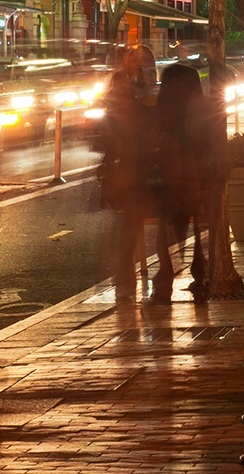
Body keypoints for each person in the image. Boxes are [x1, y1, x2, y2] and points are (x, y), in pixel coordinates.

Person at [150, 63, 226, 303]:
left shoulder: (165, 111)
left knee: (170, 231)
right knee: (199, 232)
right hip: (201, 184)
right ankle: (200, 278)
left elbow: (159, 145)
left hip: (174, 185)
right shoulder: (206, 108)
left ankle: (164, 283)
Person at [96, 44, 159, 304]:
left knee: (136, 222)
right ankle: (124, 282)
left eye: (145, 62)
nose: (140, 66)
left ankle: (131, 279)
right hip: (128, 165)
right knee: (130, 222)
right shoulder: (121, 86)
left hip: (141, 162)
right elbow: (115, 122)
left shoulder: (144, 85)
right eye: (136, 61)